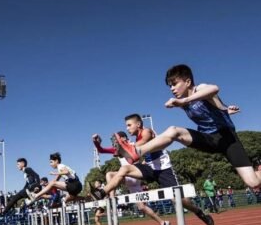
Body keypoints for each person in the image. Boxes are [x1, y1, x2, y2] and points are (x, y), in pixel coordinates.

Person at [112, 64, 261, 192]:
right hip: (208, 140)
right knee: (174, 131)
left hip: (227, 139)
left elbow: (214, 89)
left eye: (174, 84)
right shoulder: (183, 103)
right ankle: (136, 151)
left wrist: (185, 101)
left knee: (253, 182)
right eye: (169, 86)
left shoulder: (199, 89)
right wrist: (225, 110)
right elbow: (213, 110)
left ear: (188, 81)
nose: (172, 89)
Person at [91, 114, 214, 225]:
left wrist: (126, 149)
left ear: (138, 124)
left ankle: (199, 212)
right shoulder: (132, 143)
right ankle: (102, 192)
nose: (127, 128)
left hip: (163, 169)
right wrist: (97, 143)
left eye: (129, 125)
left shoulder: (146, 131)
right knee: (123, 169)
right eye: (126, 126)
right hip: (149, 168)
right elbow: (102, 150)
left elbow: (144, 141)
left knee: (178, 199)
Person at [92, 130, 172, 225]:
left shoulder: (134, 145)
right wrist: (96, 143)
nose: (114, 143)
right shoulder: (117, 150)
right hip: (131, 183)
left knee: (110, 174)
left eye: (116, 140)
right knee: (142, 207)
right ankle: (163, 223)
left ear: (124, 138)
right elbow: (101, 150)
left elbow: (147, 148)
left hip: (133, 176)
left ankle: (112, 202)